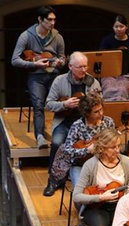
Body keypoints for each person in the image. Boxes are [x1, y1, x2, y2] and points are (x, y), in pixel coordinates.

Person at [43, 51, 102, 196]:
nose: (84, 70)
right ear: (70, 66)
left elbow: (100, 103)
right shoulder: (59, 80)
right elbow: (48, 104)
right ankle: (54, 180)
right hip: (65, 121)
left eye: (85, 66)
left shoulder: (93, 82)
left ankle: (92, 179)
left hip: (86, 123)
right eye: (80, 67)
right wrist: (65, 105)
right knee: (57, 142)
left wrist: (93, 100)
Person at [11, 6, 65, 149]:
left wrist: (61, 62)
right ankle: (40, 136)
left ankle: (59, 132)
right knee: (38, 104)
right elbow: (14, 60)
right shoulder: (26, 36)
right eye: (49, 20)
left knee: (64, 100)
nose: (52, 23)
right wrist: (34, 64)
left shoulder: (57, 37)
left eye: (54, 20)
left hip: (53, 74)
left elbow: (62, 57)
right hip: (36, 75)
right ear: (40, 19)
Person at [47, 93, 115, 192]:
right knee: (82, 191)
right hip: (80, 165)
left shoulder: (108, 122)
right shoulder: (77, 126)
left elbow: (113, 144)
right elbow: (67, 150)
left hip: (103, 164)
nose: (101, 113)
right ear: (87, 113)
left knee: (110, 188)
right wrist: (87, 150)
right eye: (96, 112)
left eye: (101, 109)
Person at [99, 15, 129, 101]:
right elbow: (102, 59)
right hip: (109, 74)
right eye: (116, 26)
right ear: (113, 27)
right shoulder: (107, 40)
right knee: (109, 88)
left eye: (121, 26)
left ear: (126, 27)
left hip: (127, 74)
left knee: (122, 89)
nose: (119, 29)